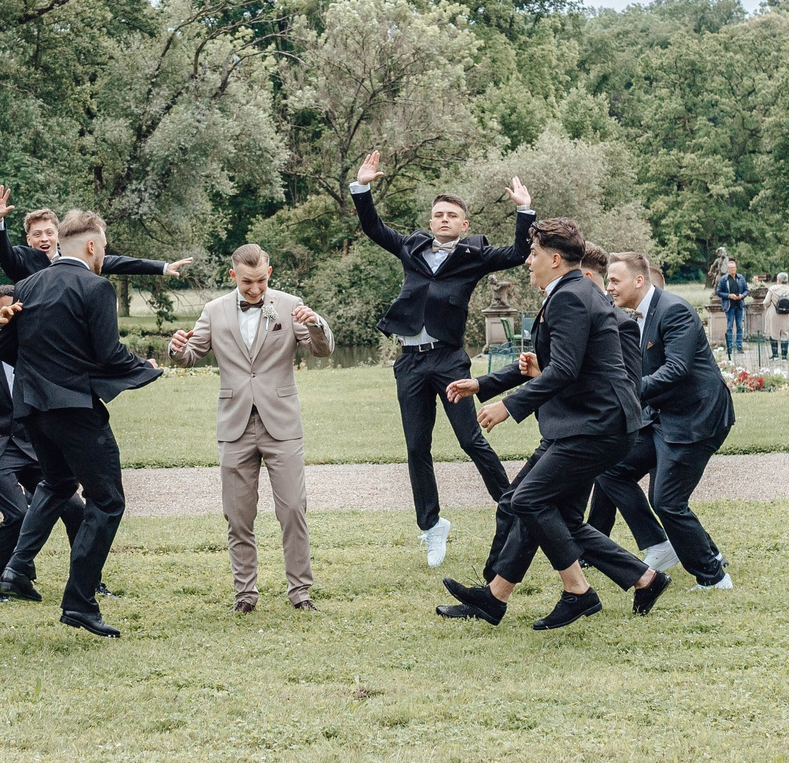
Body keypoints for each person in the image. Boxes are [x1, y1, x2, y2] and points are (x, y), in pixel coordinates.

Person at [435, 217, 666, 631]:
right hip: (590, 424)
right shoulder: (569, 292)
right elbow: (552, 363)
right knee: (552, 512)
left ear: (555, 258)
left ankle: (578, 593)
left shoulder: (571, 297)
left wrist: (508, 406)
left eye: (534, 253)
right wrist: (485, 383)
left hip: (595, 425)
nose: (527, 261)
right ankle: (639, 578)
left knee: (528, 501)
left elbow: (561, 370)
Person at [350, 150, 535, 569]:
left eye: (452, 215)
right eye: (439, 214)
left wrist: (525, 211)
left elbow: (519, 253)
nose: (444, 219)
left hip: (449, 361)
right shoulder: (411, 247)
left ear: (464, 224)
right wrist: (362, 187)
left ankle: (515, 506)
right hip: (411, 362)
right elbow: (373, 227)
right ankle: (432, 527)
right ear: (431, 221)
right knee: (417, 446)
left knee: (471, 440)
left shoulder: (474, 256)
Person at [0, 210, 164, 638]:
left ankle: (16, 567)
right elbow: (107, 354)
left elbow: (7, 347)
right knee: (107, 502)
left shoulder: (27, 286)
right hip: (74, 412)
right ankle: (80, 603)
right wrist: (147, 369)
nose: (104, 254)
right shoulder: (96, 286)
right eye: (102, 246)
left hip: (32, 410)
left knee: (58, 483)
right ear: (90, 246)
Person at [169, 243, 334, 613]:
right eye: (247, 283)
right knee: (238, 516)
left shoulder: (291, 304)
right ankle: (245, 595)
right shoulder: (213, 311)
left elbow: (320, 351)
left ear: (269, 273)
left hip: (282, 424)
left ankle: (301, 593)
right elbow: (190, 354)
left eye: (260, 281)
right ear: (233, 277)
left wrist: (316, 324)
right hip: (235, 425)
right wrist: (176, 348)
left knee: (293, 509)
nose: (255, 290)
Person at [587, 251, 734, 591]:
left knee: (667, 501)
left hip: (696, 418)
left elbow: (676, 369)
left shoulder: (674, 310)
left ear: (639, 280)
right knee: (610, 468)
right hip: (660, 416)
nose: (608, 287)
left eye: (614, 280)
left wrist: (626, 391)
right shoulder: (632, 315)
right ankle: (661, 544)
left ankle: (714, 577)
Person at [0, 342, 84, 600]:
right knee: (16, 513)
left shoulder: (38, 349)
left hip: (33, 446)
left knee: (75, 508)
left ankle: (88, 581)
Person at [0, 187, 196, 287]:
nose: (44, 239)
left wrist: (162, 267)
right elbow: (3, 253)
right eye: (37, 234)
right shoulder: (22, 259)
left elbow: (118, 263)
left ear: (58, 236)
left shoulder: (75, 256)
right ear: (28, 239)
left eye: (49, 233)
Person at [716, 257, 749, 353]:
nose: (732, 270)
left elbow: (747, 290)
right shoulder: (723, 279)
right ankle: (729, 347)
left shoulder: (741, 278)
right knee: (729, 327)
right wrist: (729, 295)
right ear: (727, 269)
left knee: (739, 327)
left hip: (739, 305)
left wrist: (742, 296)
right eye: (730, 268)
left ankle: (739, 346)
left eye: (734, 268)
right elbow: (718, 292)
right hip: (729, 306)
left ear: (736, 268)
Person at [763, 271, 789, 360]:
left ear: (778, 280)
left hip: (774, 314)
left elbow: (766, 302)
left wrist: (767, 308)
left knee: (773, 333)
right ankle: (784, 357)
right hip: (787, 315)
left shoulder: (773, 289)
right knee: (785, 334)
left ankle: (775, 355)